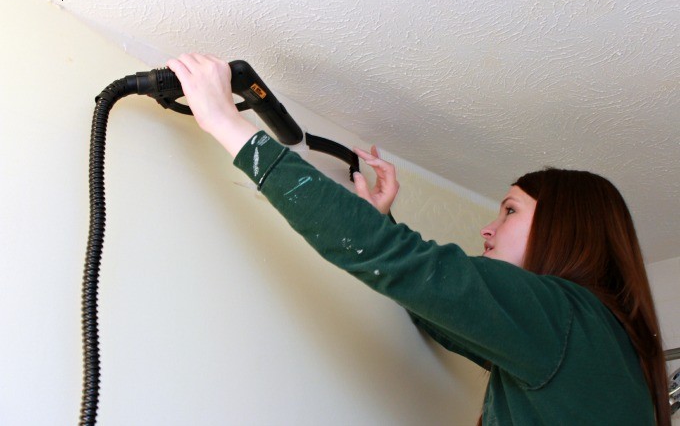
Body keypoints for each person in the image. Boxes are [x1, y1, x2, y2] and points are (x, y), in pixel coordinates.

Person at [167, 53, 670, 425]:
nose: (487, 228)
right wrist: (383, 227)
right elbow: (441, 308)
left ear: (568, 229)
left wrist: (227, 125)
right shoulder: (597, 346)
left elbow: (409, 267)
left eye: (510, 210)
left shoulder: (565, 319)